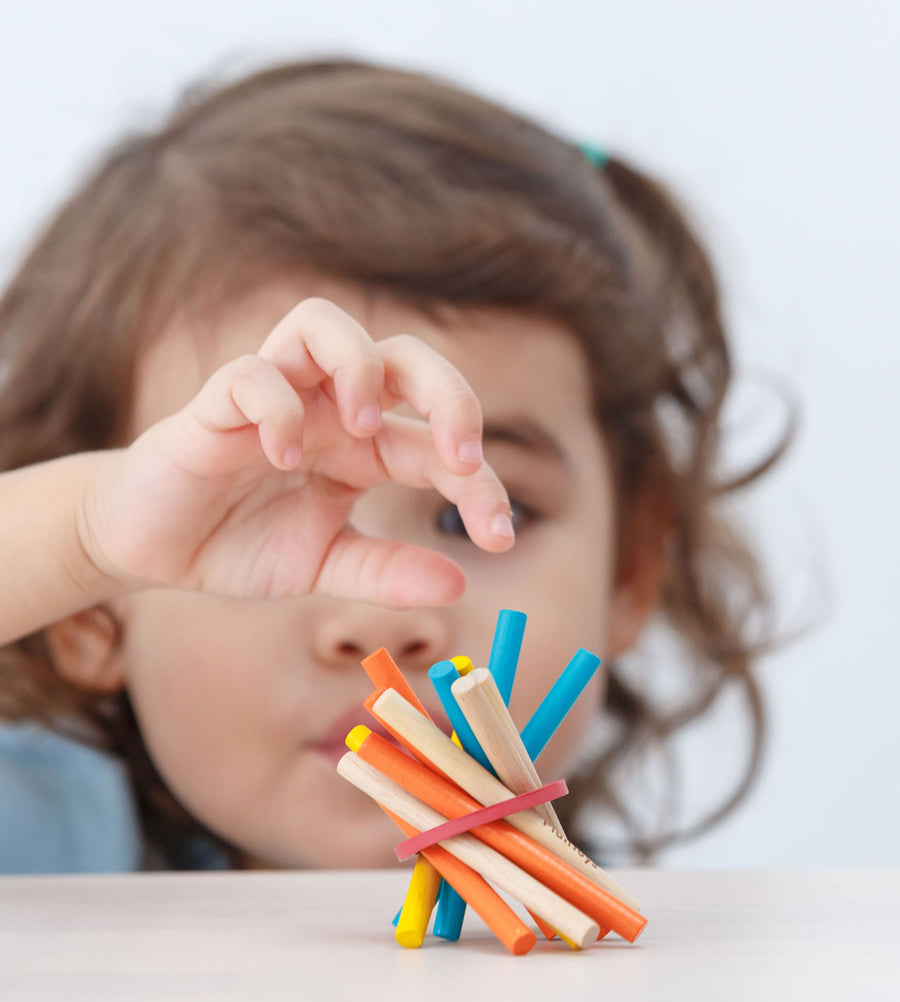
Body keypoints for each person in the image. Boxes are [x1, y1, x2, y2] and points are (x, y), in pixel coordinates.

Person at [0, 58, 787, 873]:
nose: (379, 622)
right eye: (262, 502)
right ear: (88, 616)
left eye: (467, 515)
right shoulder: (32, 849)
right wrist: (82, 536)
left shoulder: (630, 963)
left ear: (628, 569)